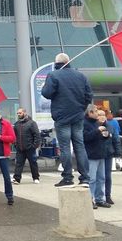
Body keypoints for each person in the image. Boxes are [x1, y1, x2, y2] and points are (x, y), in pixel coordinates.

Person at [41, 53, 92, 188]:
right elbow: (89, 96)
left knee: (65, 148)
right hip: (77, 116)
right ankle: (85, 178)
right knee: (80, 146)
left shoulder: (54, 75)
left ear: (56, 63)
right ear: (68, 62)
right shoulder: (81, 76)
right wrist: (82, 109)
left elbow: (46, 93)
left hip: (62, 116)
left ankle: (68, 177)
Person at [83, 106, 111, 209]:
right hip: (91, 155)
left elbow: (100, 137)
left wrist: (106, 135)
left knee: (101, 178)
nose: (98, 115)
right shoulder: (84, 123)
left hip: (100, 154)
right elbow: (86, 137)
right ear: (90, 113)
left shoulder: (96, 123)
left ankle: (100, 199)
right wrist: (97, 131)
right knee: (92, 179)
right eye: (96, 112)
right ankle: (90, 199)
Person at [11, 108, 41, 184]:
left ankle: (36, 177)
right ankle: (17, 179)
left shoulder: (32, 123)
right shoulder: (17, 124)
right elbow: (14, 136)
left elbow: (37, 135)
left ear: (24, 113)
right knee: (19, 163)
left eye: (20, 113)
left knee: (33, 163)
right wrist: (15, 144)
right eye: (17, 113)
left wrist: (34, 146)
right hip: (20, 148)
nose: (18, 114)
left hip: (30, 147)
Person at [104, 109, 121, 205]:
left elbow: (116, 139)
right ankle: (99, 196)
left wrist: (117, 152)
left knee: (107, 176)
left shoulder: (111, 125)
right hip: (96, 154)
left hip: (108, 153)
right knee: (97, 177)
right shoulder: (93, 126)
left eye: (103, 114)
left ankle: (107, 195)